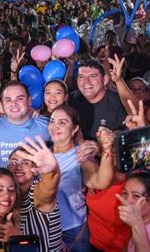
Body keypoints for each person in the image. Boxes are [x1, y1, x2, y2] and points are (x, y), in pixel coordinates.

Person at [49, 104, 115, 251]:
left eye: (62, 122)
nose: (55, 126)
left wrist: (107, 149)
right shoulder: (42, 153)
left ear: (75, 129)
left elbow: (102, 181)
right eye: (52, 121)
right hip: (45, 229)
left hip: (72, 231)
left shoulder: (82, 154)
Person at [7, 137, 62, 251]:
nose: (18, 167)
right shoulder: (10, 194)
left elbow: (47, 191)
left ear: (35, 168)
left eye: (25, 163)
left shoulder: (35, 190)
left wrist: (52, 171)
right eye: (14, 162)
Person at [0, 81, 50, 167]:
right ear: (3, 103)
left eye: (19, 99)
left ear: (29, 101)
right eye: (8, 100)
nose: (14, 104)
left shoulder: (46, 125)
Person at [69, 58, 127, 139]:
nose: (86, 82)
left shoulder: (118, 102)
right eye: (81, 77)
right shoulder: (70, 101)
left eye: (92, 76)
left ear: (105, 80)